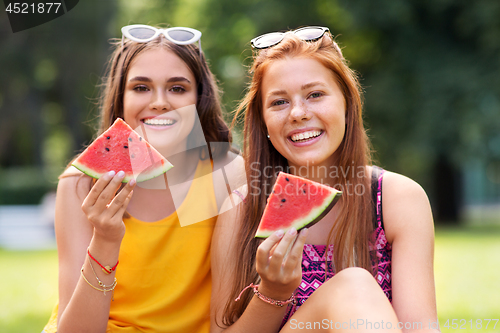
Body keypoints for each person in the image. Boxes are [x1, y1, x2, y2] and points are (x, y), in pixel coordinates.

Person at [210, 27, 440, 332]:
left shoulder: (398, 200)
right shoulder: (239, 209)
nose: (298, 113)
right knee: (354, 286)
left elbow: (419, 328)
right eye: (279, 102)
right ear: (263, 120)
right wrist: (272, 292)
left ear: (346, 104)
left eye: (315, 95)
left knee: (354, 286)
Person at [43, 25, 244, 333]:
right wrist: (105, 241)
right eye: (141, 88)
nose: (159, 102)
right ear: (120, 97)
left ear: (198, 98)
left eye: (178, 88)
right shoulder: (79, 184)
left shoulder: (227, 175)